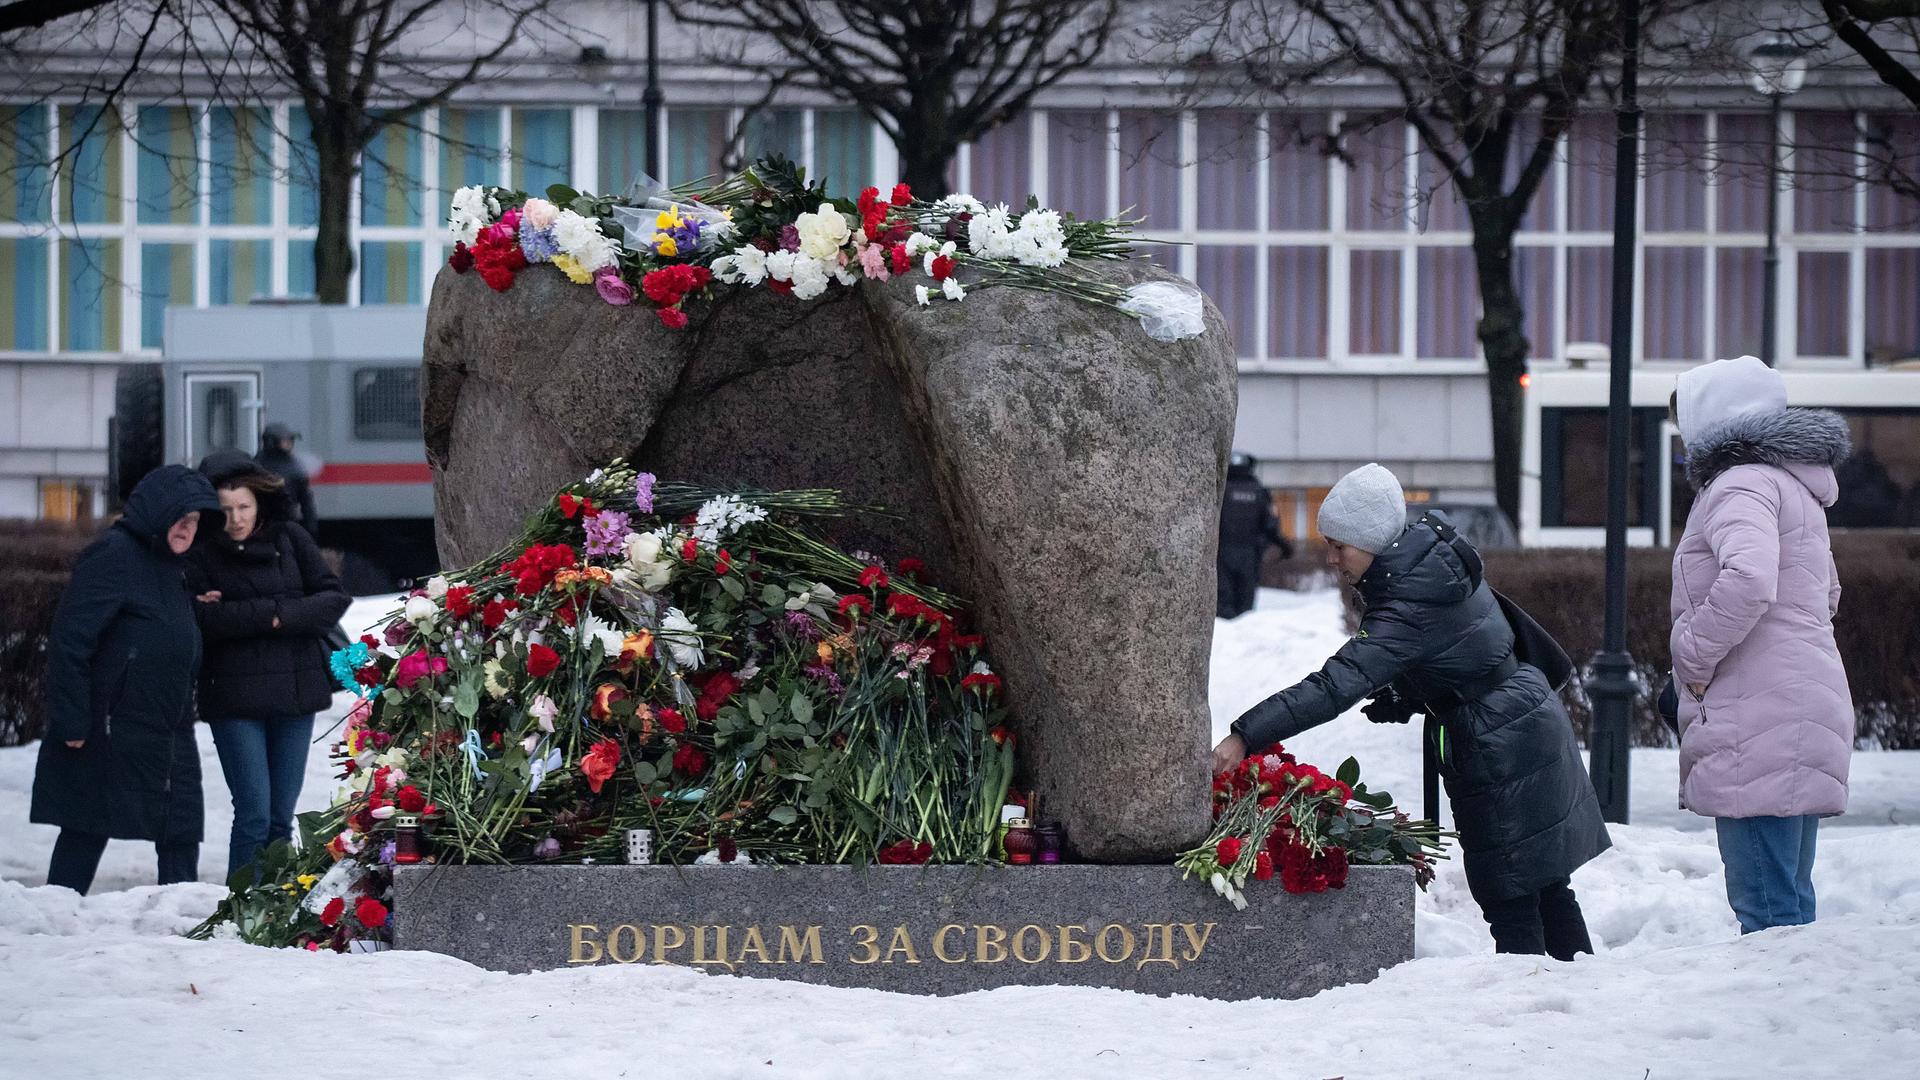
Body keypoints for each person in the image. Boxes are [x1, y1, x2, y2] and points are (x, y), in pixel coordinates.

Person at [1212, 463, 1611, 960]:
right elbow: (1464, 645)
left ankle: (1528, 1009)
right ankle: (1575, 1000)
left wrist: (1244, 735)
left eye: (1341, 545)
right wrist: (1410, 693)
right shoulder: (1428, 564)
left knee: (1511, 896)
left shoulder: (1408, 599)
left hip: (1499, 742)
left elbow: (1333, 686)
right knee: (1544, 886)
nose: (1331, 558)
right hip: (1520, 722)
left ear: (1375, 540)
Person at [1669, 355, 1853, 935]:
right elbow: (1827, 593)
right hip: (1798, 701)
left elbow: (1749, 578)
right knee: (1790, 902)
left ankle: (1774, 1021)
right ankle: (1799, 1019)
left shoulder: (1740, 483)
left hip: (1759, 716)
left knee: (1768, 914)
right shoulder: (1792, 485)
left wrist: (1694, 655)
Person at [30, 465, 223, 894]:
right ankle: (55, 914)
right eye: (180, 518)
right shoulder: (114, 555)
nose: (186, 530)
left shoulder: (172, 567)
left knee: (180, 826)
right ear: (158, 513)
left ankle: (178, 922)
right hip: (110, 725)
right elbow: (70, 641)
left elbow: (150, 623)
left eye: (194, 523)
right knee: (86, 823)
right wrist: (73, 720)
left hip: (168, 724)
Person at [185, 450, 350, 883]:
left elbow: (332, 598)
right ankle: (240, 911)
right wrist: (275, 614)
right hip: (235, 699)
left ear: (259, 503)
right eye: (225, 510)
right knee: (254, 815)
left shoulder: (290, 538)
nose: (236, 518)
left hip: (295, 696)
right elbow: (201, 619)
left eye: (243, 507)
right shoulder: (201, 553)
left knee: (281, 819)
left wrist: (273, 615)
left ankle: (275, 911)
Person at [1217, 452, 1293, 619]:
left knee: (1222, 600)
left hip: (1221, 553)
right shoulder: (1259, 492)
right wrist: (1284, 546)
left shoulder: (1219, 491)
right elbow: (1271, 524)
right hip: (1250, 554)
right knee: (1245, 603)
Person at [256, 422, 318, 528]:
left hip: (287, 522)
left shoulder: (295, 466)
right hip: (261, 523)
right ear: (271, 441)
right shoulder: (257, 465)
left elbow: (306, 501)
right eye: (284, 440)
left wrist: (311, 526)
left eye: (290, 440)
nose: (289, 443)